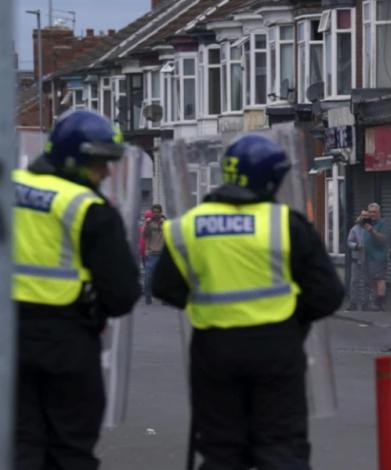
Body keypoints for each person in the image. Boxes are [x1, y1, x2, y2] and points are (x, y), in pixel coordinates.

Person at [152, 134, 345, 469]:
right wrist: (292, 318)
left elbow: (165, 287)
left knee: (222, 450)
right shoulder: (285, 224)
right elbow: (328, 293)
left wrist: (207, 299)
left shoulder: (189, 226)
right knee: (281, 447)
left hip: (214, 349)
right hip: (276, 348)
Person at [13, 109, 141, 469]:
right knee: (70, 448)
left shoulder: (9, 187)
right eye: (99, 163)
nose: (106, 172)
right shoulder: (87, 207)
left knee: (18, 443)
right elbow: (121, 294)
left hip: (8, 338)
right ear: (74, 158)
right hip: (65, 341)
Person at [362, 202, 391, 310]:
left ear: (379, 212)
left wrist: (372, 231)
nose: (372, 214)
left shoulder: (383, 223)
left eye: (374, 212)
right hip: (368, 257)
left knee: (380, 279)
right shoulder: (368, 222)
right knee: (372, 280)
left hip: (378, 257)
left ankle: (380, 304)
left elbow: (383, 239)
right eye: (370, 212)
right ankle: (375, 302)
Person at [346, 210, 371, 310]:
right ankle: (353, 303)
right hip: (356, 258)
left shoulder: (370, 228)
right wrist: (356, 246)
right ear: (359, 216)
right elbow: (349, 241)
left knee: (366, 282)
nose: (364, 218)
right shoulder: (354, 229)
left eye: (366, 216)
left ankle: (365, 304)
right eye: (362, 216)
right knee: (354, 282)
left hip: (368, 259)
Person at [142, 204, 166, 304]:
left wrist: (163, 225)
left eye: (158, 212)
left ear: (161, 212)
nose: (156, 214)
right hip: (152, 253)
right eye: (154, 212)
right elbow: (144, 235)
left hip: (163, 253)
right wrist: (147, 224)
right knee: (148, 277)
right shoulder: (149, 223)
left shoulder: (165, 222)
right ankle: (148, 297)